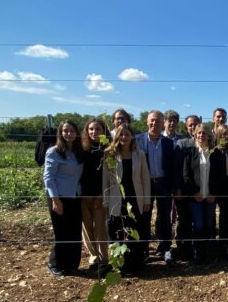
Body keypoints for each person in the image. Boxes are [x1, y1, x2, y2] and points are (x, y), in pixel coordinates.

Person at [102, 124, 151, 275]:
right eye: (121, 134)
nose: (124, 137)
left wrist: (146, 200)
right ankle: (120, 265)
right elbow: (105, 180)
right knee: (116, 231)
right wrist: (106, 200)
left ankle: (135, 264)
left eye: (127, 134)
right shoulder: (109, 154)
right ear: (116, 136)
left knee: (134, 231)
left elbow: (145, 179)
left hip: (135, 198)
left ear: (132, 137)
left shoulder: (139, 154)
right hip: (116, 199)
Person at [43, 120, 84, 276]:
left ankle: (72, 265)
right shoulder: (53, 152)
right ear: (60, 133)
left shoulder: (77, 152)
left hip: (74, 196)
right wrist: (55, 199)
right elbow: (48, 177)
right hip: (59, 196)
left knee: (74, 232)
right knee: (61, 232)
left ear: (76, 133)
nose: (69, 134)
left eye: (72, 131)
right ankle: (55, 264)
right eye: (66, 131)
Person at [135, 110, 176, 264]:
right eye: (152, 120)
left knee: (164, 217)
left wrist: (172, 186)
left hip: (163, 184)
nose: (154, 123)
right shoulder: (137, 140)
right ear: (147, 121)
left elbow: (171, 167)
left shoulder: (168, 142)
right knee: (144, 217)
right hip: (144, 185)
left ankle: (165, 247)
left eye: (158, 121)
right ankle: (144, 249)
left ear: (162, 123)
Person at [182, 125, 217, 263]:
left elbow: (218, 176)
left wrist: (214, 193)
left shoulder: (214, 153)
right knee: (198, 224)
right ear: (195, 135)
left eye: (204, 133)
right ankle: (198, 252)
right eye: (198, 133)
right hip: (195, 196)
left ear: (209, 135)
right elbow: (186, 174)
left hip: (210, 196)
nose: (201, 135)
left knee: (209, 224)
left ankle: (208, 251)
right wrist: (192, 192)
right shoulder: (190, 152)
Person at [80, 118, 110, 273]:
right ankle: (93, 257)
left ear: (104, 131)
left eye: (98, 129)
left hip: (100, 195)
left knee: (100, 229)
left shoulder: (108, 150)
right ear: (86, 131)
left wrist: (103, 195)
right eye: (91, 129)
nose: (94, 132)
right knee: (87, 229)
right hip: (83, 195)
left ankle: (104, 259)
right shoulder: (81, 149)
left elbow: (109, 176)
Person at [173, 115, 201, 259]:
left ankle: (198, 247)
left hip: (198, 190)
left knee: (197, 220)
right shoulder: (182, 144)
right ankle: (183, 247)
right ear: (186, 127)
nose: (193, 127)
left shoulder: (205, 143)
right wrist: (177, 188)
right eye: (190, 125)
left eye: (195, 124)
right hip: (184, 189)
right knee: (184, 218)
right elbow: (177, 168)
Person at [212, 125, 228, 260]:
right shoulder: (214, 153)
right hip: (218, 189)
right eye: (223, 135)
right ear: (218, 136)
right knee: (217, 218)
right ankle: (215, 246)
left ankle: (226, 243)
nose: (226, 137)